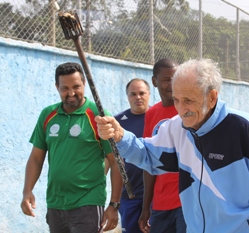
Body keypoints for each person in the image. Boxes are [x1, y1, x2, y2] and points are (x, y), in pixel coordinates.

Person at [95, 58, 249, 232]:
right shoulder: (176, 127)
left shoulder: (243, 128)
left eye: (188, 100)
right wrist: (121, 136)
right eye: (177, 99)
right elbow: (149, 157)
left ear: (212, 97)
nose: (181, 108)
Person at [20, 62, 123, 232]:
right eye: (65, 88)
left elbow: (116, 161)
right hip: (55, 203)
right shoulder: (48, 115)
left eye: (76, 86)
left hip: (87, 202)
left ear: (84, 84)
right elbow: (36, 158)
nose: (71, 93)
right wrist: (27, 191)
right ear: (57, 87)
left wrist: (114, 204)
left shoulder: (98, 116)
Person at [139, 58, 186, 233]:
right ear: (154, 81)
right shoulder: (152, 114)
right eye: (167, 80)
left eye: (176, 79)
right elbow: (149, 159)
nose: (172, 85)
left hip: (186, 201)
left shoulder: (188, 110)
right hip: (160, 204)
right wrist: (146, 207)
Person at [114, 78, 151, 233]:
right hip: (129, 195)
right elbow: (110, 158)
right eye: (133, 94)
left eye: (142, 93)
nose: (138, 97)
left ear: (149, 94)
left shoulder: (157, 117)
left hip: (154, 195)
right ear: (127, 96)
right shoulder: (118, 122)